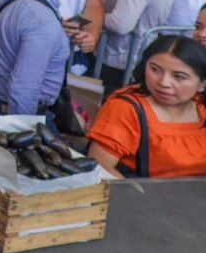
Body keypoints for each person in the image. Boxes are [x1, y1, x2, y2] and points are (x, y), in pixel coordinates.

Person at [88, 36, 206, 178]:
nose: (163, 82)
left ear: (202, 84)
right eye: (155, 69)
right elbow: (100, 167)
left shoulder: (202, 106)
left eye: (179, 76)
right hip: (140, 197)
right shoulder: (125, 108)